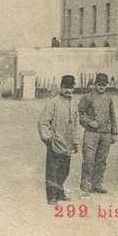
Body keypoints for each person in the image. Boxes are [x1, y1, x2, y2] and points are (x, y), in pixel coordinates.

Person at [38, 75, 80, 204]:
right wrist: (48, 138)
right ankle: (51, 196)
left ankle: (60, 192)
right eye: (65, 87)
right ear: (61, 87)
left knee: (64, 170)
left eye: (71, 87)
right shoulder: (53, 103)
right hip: (55, 143)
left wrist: (76, 141)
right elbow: (43, 122)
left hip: (68, 144)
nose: (68, 90)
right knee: (52, 170)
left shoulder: (73, 104)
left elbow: (76, 124)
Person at [77, 72, 117, 194]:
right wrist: (89, 122)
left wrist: (114, 133)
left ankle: (97, 184)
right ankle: (86, 184)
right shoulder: (87, 97)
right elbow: (80, 114)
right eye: (99, 84)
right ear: (95, 84)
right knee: (89, 159)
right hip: (91, 133)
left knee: (101, 160)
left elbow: (112, 115)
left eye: (104, 84)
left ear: (107, 85)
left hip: (105, 133)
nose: (101, 87)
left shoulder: (109, 98)